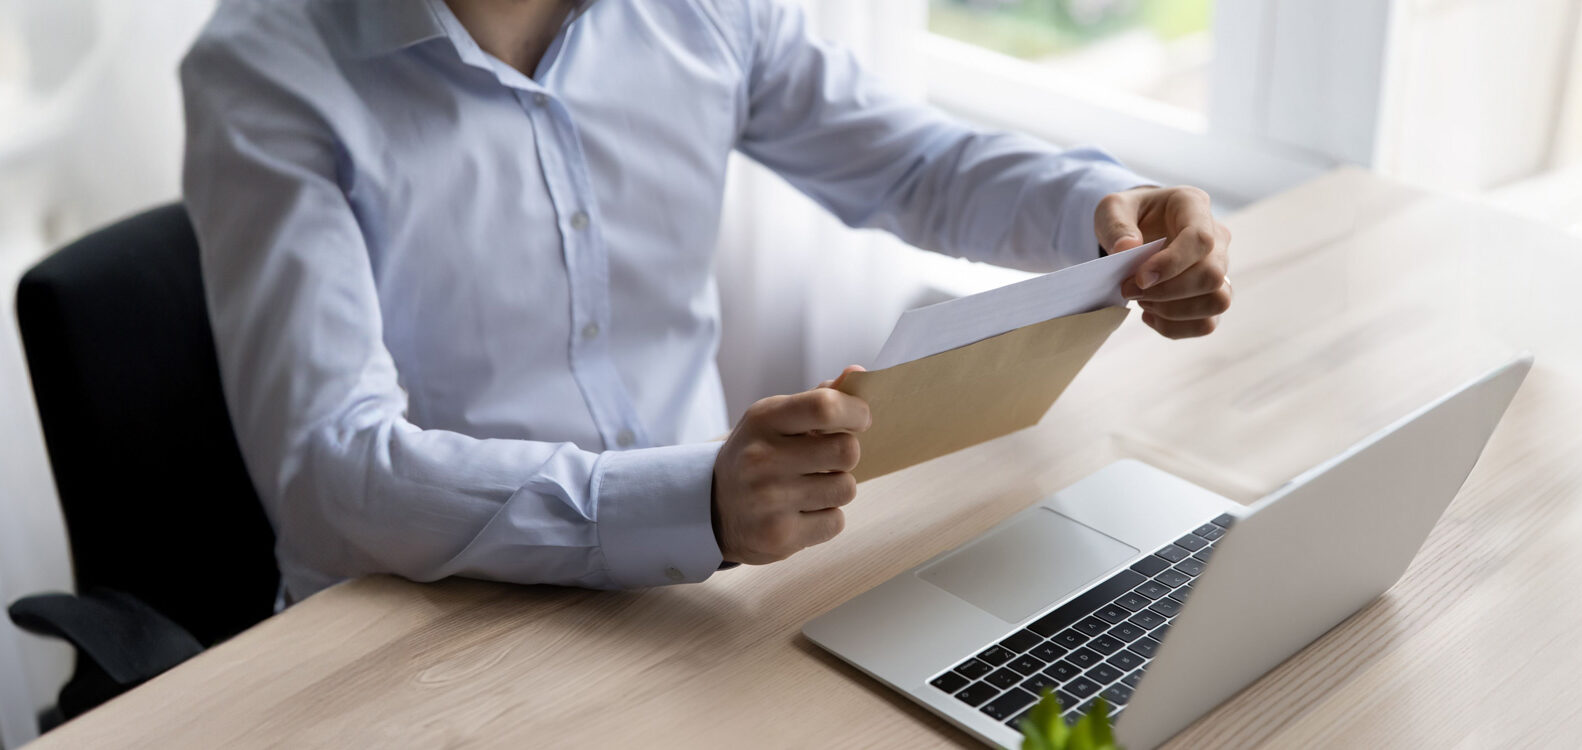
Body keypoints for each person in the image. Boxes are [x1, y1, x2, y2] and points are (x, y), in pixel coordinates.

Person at [181, 0, 1233, 603]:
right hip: (417, 621)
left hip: (699, 582)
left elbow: (908, 165)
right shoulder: (267, 73)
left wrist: (1106, 212)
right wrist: (694, 505)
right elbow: (332, 469)